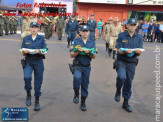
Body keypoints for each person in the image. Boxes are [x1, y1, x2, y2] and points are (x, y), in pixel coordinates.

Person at [114, 18, 143, 112]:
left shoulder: (139, 37)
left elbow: (139, 52)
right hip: (121, 61)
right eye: (131, 25)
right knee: (121, 77)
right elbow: (118, 49)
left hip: (132, 63)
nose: (133, 27)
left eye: (134, 25)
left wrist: (138, 52)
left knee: (128, 82)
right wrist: (125, 51)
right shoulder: (121, 35)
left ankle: (125, 102)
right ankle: (118, 90)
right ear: (127, 26)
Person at [21, 22, 47, 111]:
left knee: (38, 82)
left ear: (38, 29)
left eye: (36, 27)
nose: (34, 29)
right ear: (30, 28)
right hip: (28, 61)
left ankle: (37, 101)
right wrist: (25, 52)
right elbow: (22, 50)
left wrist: (39, 51)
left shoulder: (41, 38)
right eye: (32, 27)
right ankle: (28, 93)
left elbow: (45, 50)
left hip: (39, 61)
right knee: (26, 77)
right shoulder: (26, 38)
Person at [70, 25, 97, 111]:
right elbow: (71, 55)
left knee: (85, 85)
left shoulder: (92, 42)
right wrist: (78, 50)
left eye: (86, 31)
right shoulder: (76, 41)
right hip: (78, 65)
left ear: (89, 32)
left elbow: (94, 56)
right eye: (83, 31)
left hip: (87, 67)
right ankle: (76, 93)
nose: (85, 32)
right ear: (80, 32)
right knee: (77, 78)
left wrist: (88, 52)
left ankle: (83, 102)